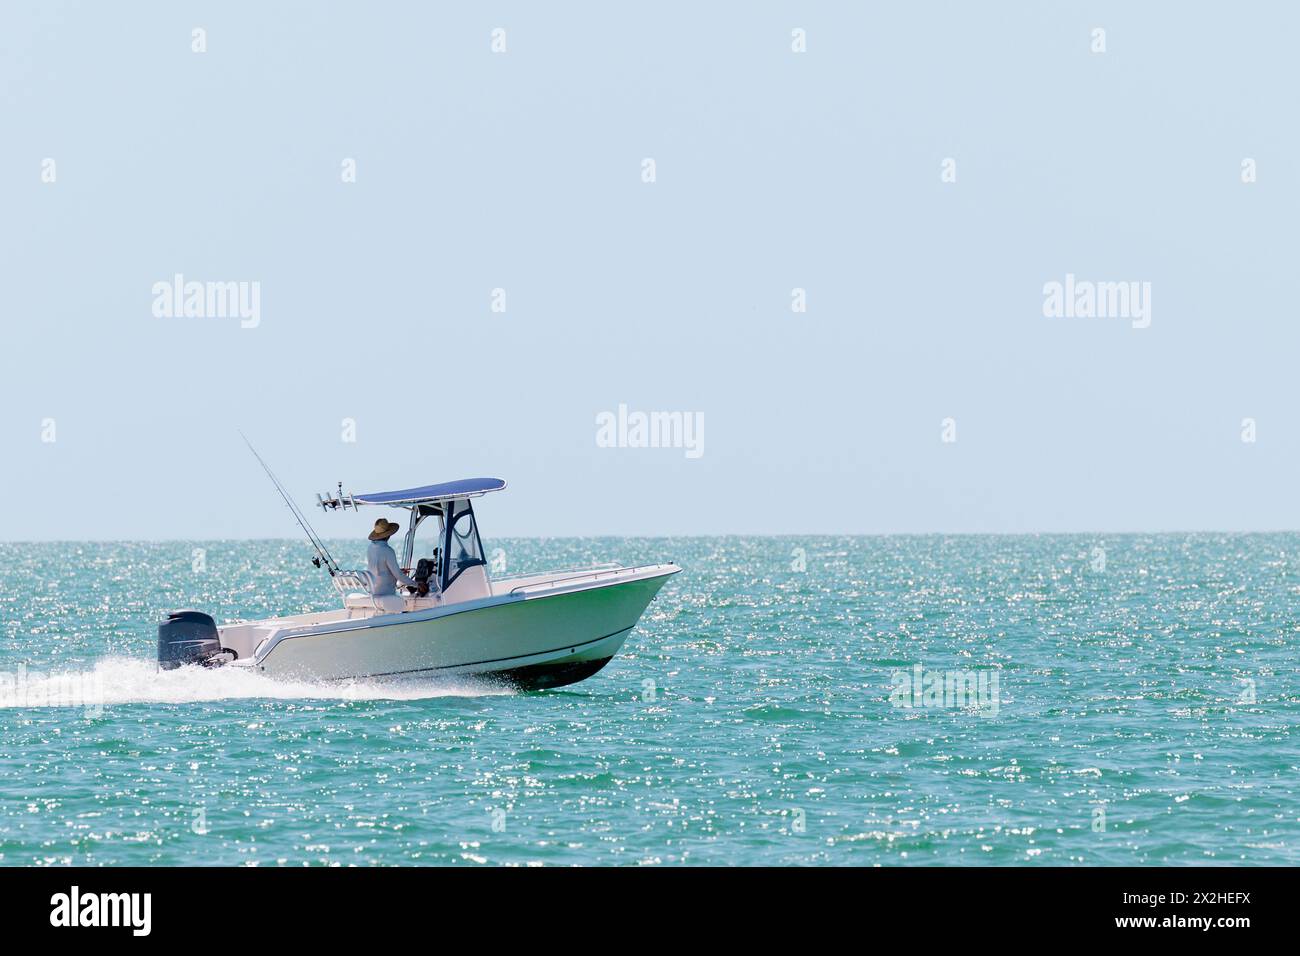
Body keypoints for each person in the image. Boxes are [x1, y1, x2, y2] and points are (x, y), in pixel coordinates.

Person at [366, 518, 417, 597]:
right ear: (388, 534)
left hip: (372, 591)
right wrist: (416, 584)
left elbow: (379, 569)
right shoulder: (388, 550)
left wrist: (396, 571)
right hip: (386, 593)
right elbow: (398, 575)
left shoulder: (370, 548)